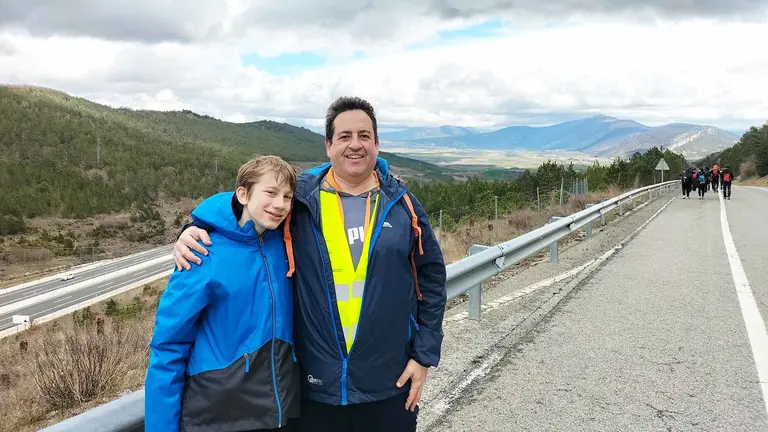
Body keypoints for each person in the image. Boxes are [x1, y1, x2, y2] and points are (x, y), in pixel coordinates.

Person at [173, 96, 447, 432]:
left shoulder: (403, 204)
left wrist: (423, 356)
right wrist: (196, 225)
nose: (355, 145)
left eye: (364, 135)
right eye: (344, 136)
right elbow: (247, 206)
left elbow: (432, 280)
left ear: (377, 143)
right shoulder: (300, 199)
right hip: (314, 387)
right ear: (329, 145)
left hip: (389, 383)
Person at [145, 156, 301, 432]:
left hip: (276, 410)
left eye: (287, 196)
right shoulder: (202, 251)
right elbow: (169, 346)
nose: (280, 205)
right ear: (242, 194)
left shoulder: (285, 242)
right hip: (217, 413)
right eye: (270, 193)